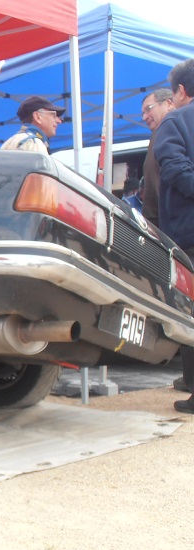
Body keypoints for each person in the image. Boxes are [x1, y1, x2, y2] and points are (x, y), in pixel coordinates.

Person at [151, 58, 194, 413]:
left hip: (188, 235)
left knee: (191, 313)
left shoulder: (176, 120)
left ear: (180, 91)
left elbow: (175, 170)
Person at [140, 88, 175, 227]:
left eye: (149, 109)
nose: (144, 117)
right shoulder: (157, 135)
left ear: (169, 104)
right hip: (168, 224)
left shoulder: (178, 129)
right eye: (143, 113)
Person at [0, 96, 65, 154]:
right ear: (37, 117)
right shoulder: (33, 143)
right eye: (54, 115)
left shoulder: (10, 142)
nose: (59, 121)